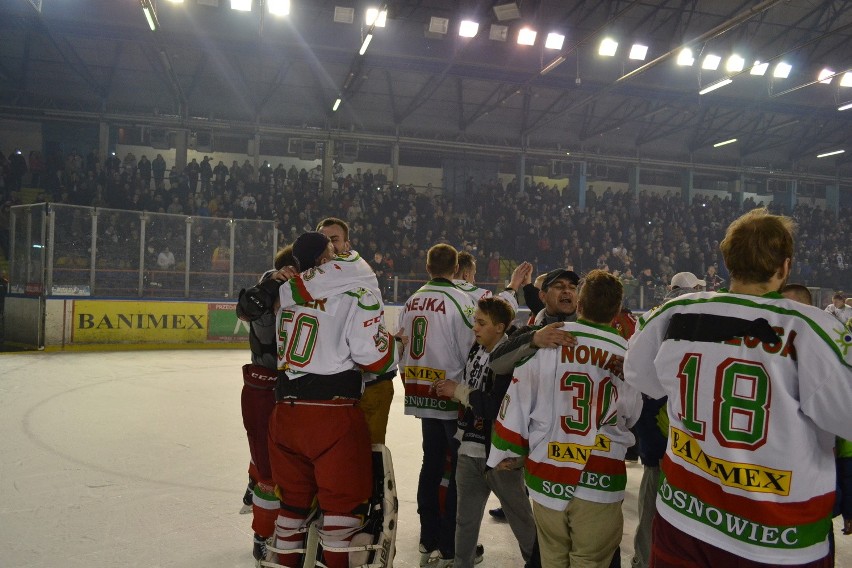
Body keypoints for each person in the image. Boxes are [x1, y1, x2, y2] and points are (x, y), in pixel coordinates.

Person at [624, 207, 852, 567]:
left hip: (685, 516)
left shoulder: (674, 314)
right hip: (777, 536)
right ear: (785, 266)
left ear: (727, 259)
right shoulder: (813, 328)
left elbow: (641, 377)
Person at [488, 269, 641, 567]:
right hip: (600, 474)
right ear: (616, 311)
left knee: (553, 560)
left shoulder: (546, 343)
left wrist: (506, 452)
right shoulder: (626, 356)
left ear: (581, 304)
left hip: (548, 473)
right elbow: (630, 415)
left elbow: (517, 402)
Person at [266, 231, 397, 568]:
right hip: (332, 416)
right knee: (341, 512)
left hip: (284, 414)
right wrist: (392, 344)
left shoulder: (285, 294)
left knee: (292, 507)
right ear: (326, 261)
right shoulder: (354, 295)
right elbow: (374, 358)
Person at [434, 297, 539, 568]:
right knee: (464, 520)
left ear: (500, 328)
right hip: (469, 447)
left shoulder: (510, 358)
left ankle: (538, 563)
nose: (475, 328)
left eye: (482, 323)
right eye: (475, 322)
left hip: (501, 456)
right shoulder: (476, 349)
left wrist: (457, 391)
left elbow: (494, 405)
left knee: (521, 519)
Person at [399, 243, 477, 566]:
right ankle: (448, 544)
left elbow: (401, 347)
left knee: (430, 462)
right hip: (450, 394)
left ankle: (426, 535)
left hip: (420, 391)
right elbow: (471, 351)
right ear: (457, 269)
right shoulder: (462, 301)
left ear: (428, 267)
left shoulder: (410, 301)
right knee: (458, 470)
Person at [236, 245, 294, 562]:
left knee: (273, 460)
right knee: (269, 472)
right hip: (265, 386)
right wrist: (273, 280)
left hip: (287, 388)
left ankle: (253, 478)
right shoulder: (268, 295)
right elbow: (249, 308)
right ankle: (262, 535)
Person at [316, 217, 397, 445]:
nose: (330, 246)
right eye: (325, 241)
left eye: (335, 240)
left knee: (369, 454)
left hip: (372, 380)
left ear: (347, 245)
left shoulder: (348, 266)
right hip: (350, 379)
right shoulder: (326, 269)